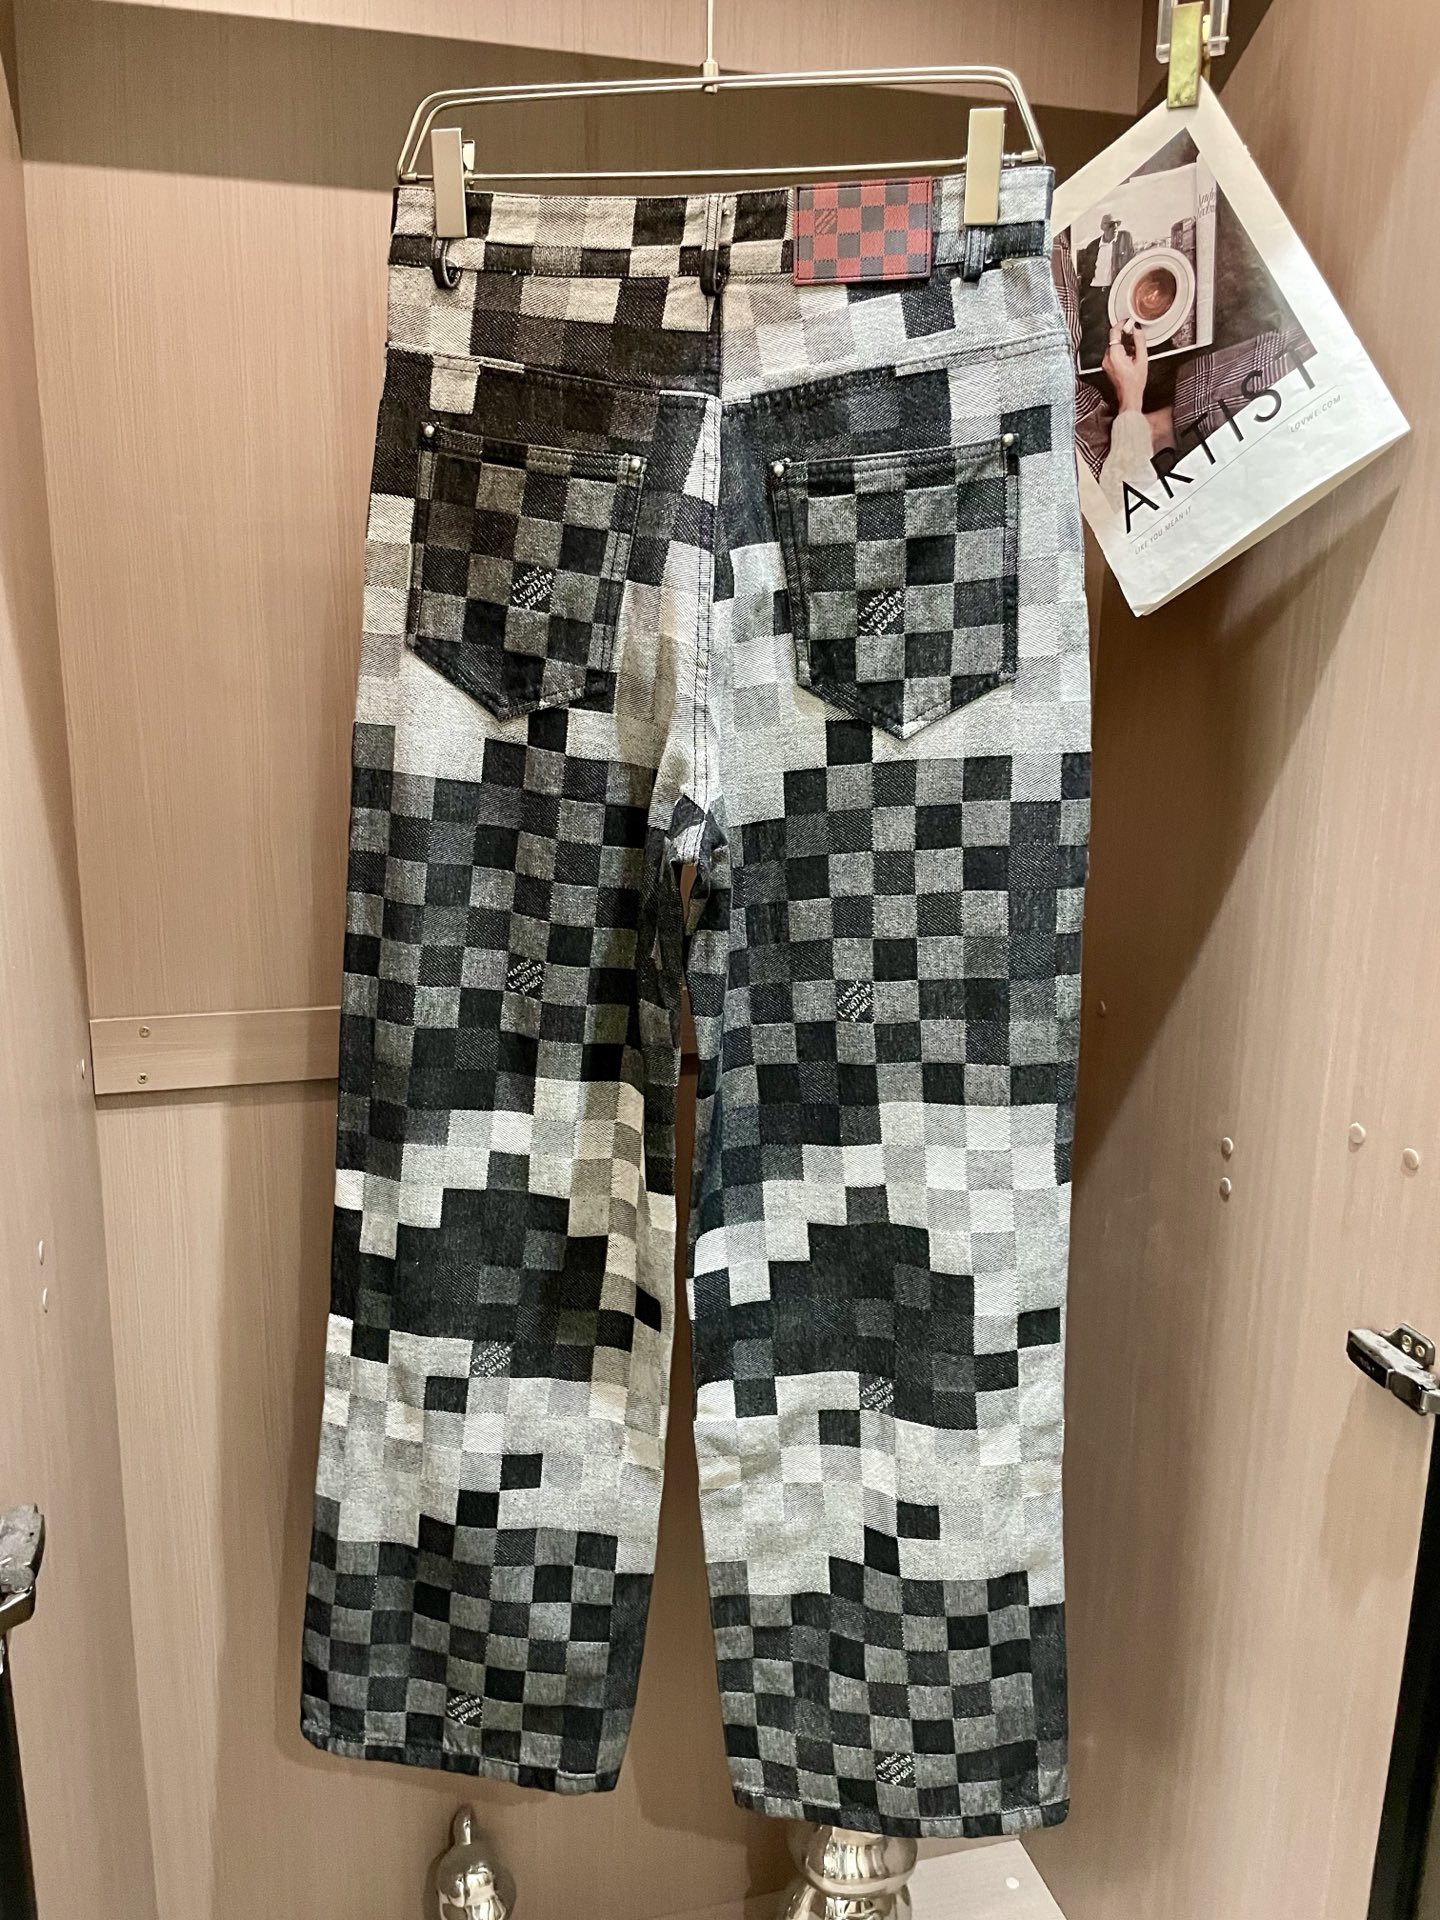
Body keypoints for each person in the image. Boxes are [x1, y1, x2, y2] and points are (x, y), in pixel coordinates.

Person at [1078, 214, 1135, 343]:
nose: (1114, 228)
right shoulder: (1093, 246)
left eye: (1117, 224)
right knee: (1095, 331)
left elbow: (1132, 264)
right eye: (1110, 225)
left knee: (1116, 327)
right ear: (1102, 227)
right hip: (1095, 293)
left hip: (1114, 291)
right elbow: (1086, 272)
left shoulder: (1125, 239)